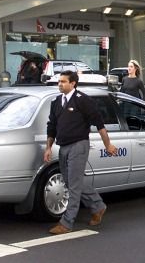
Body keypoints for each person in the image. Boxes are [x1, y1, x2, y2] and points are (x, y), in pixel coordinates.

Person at [43, 70, 118, 235]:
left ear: (73, 83)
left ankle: (67, 223)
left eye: (63, 81)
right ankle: (98, 206)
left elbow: (99, 124)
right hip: (63, 147)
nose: (60, 84)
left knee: (74, 186)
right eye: (59, 81)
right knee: (71, 183)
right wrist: (48, 147)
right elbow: (51, 126)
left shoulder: (83, 101)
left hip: (79, 145)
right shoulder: (56, 102)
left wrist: (108, 145)